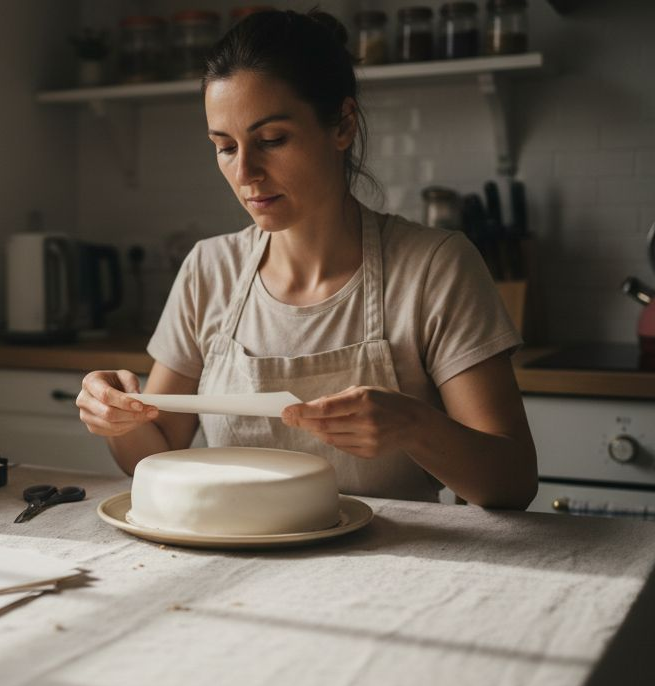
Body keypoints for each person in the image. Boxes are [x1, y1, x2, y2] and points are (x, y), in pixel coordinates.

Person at [74, 9, 537, 509]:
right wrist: (115, 419)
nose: (246, 172)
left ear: (342, 125)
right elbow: (154, 451)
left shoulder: (435, 268)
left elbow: (511, 482)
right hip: (237, 563)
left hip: (395, 569)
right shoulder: (209, 270)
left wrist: (413, 425)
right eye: (225, 147)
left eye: (271, 140)